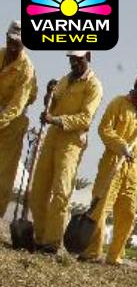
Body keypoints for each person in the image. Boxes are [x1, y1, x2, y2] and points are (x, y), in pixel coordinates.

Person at [80, 71, 137, 264]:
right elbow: (104, 129)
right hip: (112, 161)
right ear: (135, 85)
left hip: (132, 167)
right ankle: (92, 252)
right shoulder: (118, 103)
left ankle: (115, 255)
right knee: (101, 208)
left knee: (127, 213)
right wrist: (119, 144)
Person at [30, 51, 103, 253]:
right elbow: (52, 105)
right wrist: (48, 95)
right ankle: (40, 236)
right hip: (52, 137)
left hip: (72, 142)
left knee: (61, 192)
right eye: (72, 59)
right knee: (38, 190)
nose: (75, 63)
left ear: (88, 57)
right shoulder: (64, 80)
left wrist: (56, 120)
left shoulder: (93, 85)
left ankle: (52, 242)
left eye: (78, 59)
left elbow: (85, 119)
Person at [0, 20, 38, 218]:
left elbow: (17, 105)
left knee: (3, 173)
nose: (13, 46)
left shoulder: (26, 69)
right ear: (7, 37)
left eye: (18, 43)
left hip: (13, 122)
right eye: (11, 41)